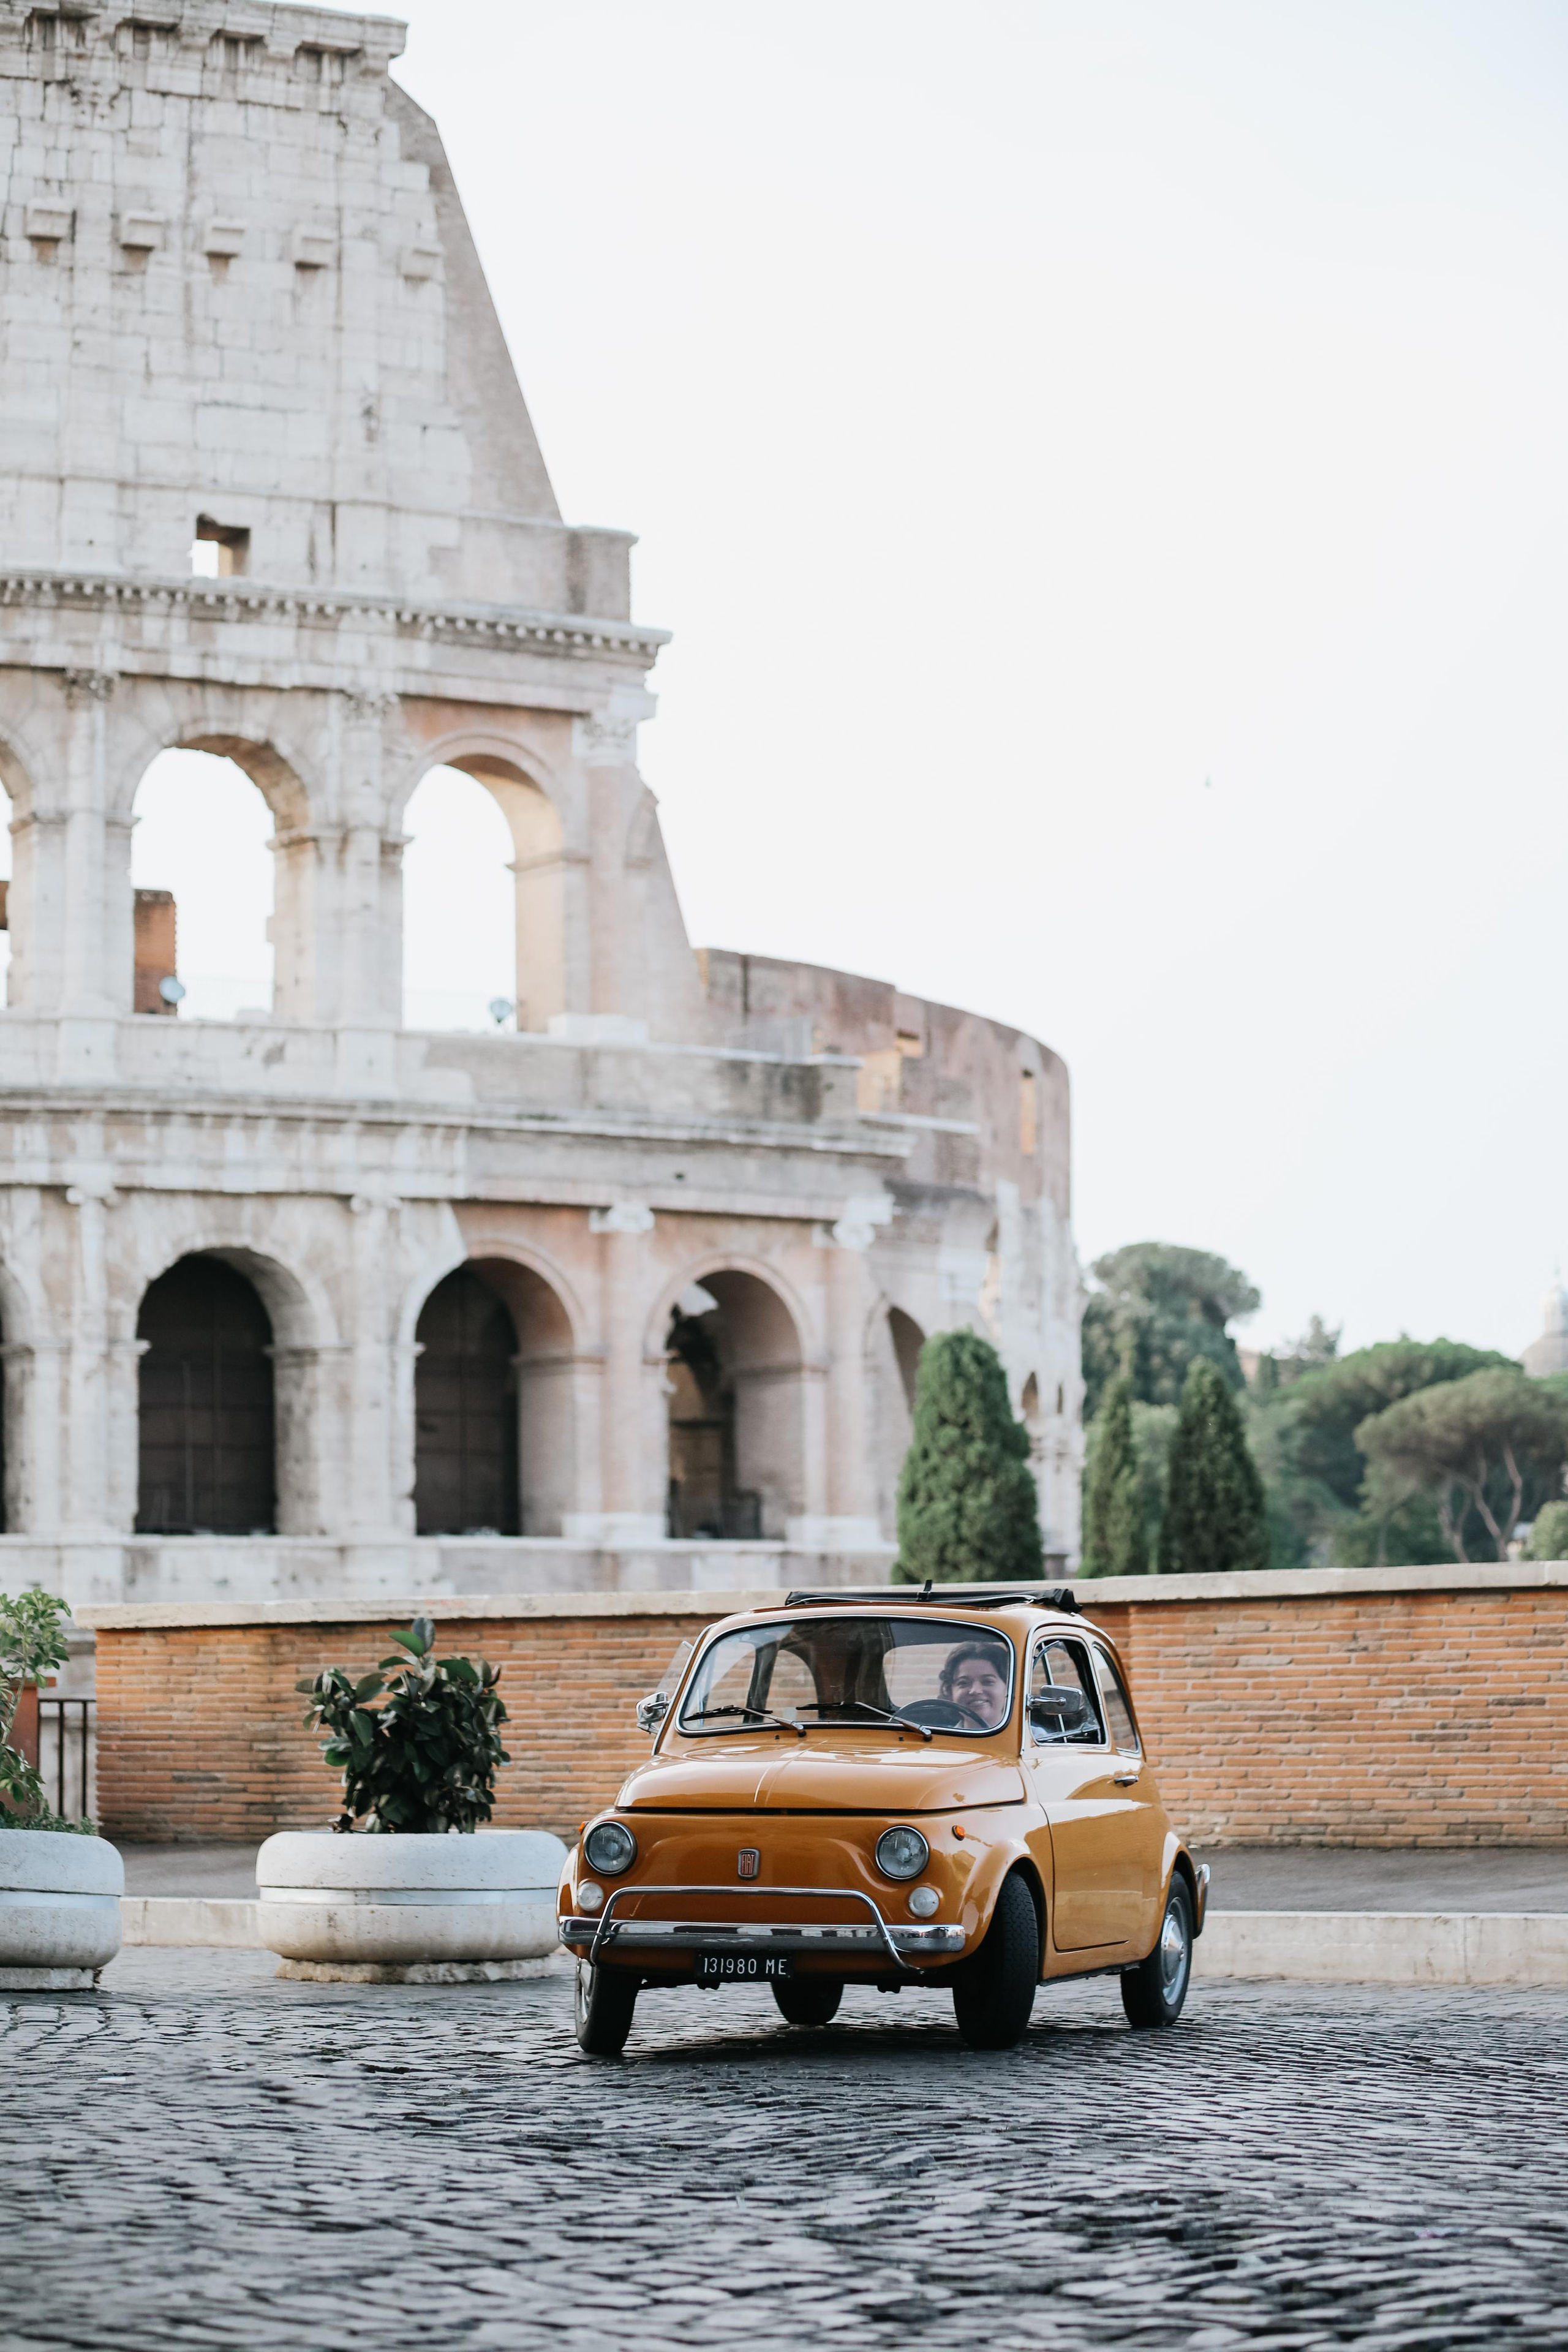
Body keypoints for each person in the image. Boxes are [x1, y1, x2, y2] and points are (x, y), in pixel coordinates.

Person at [938, 1640, 1011, 1730]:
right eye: (963, 1683)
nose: (975, 1691)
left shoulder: (1031, 1741)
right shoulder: (939, 1740)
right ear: (950, 1691)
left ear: (1009, 1688)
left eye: (987, 1681)